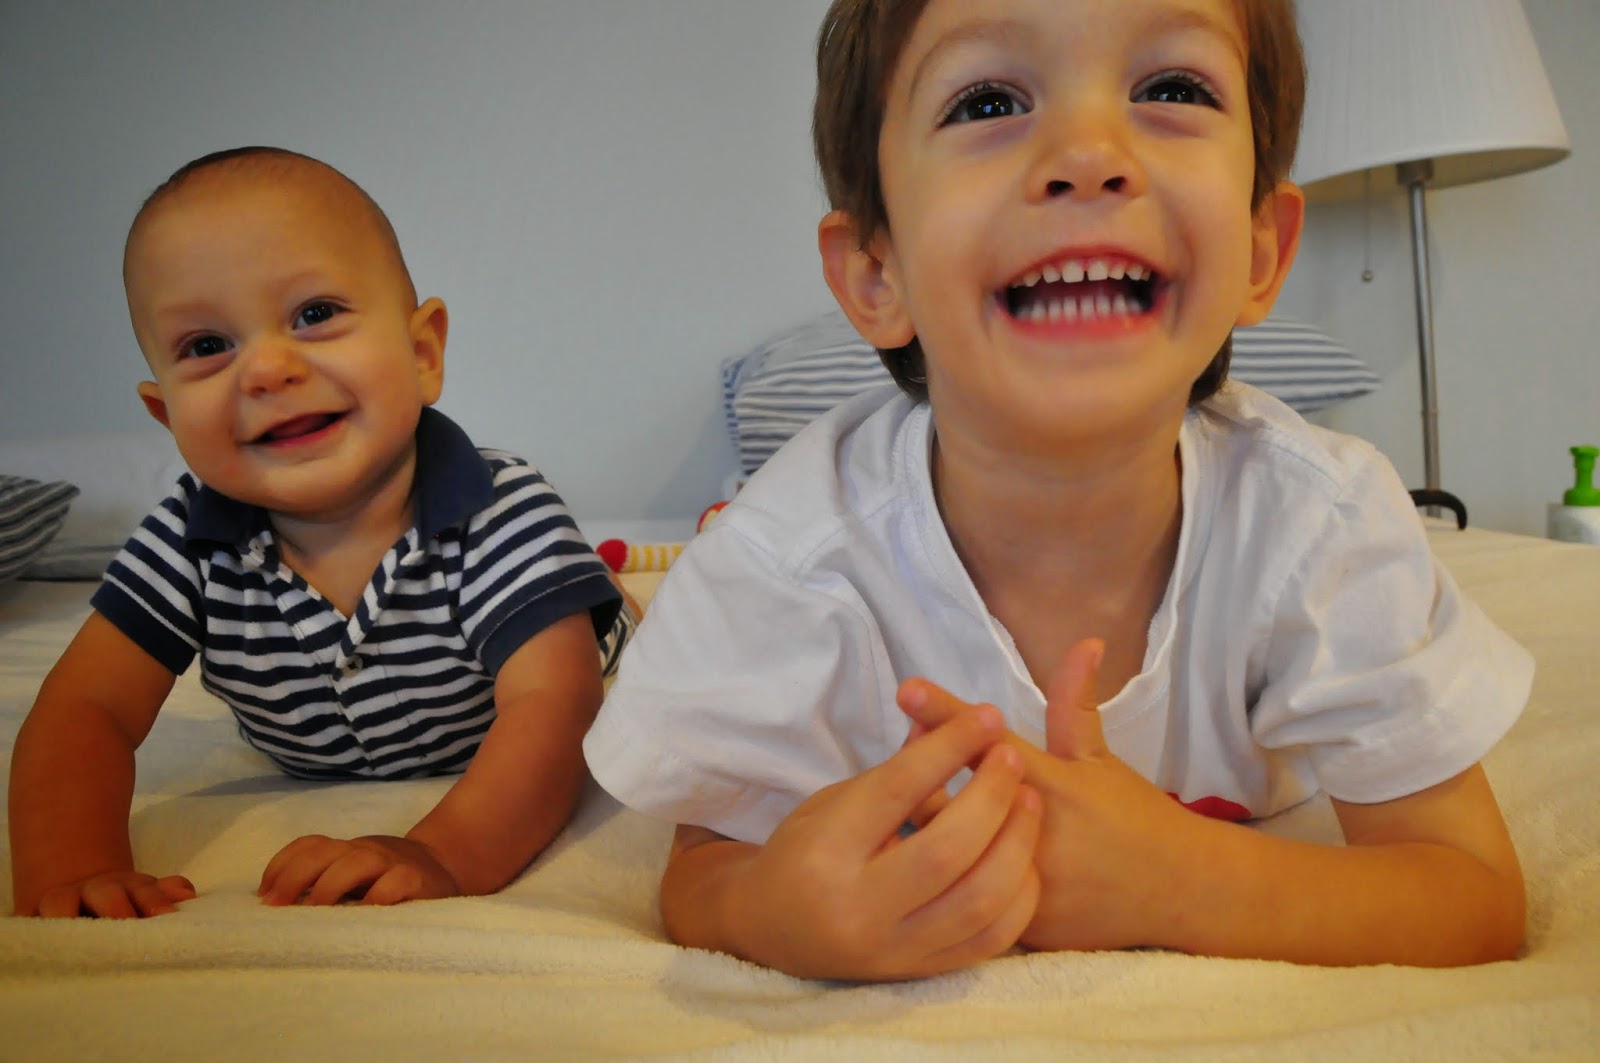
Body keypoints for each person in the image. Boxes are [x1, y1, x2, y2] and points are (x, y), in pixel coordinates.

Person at [584, 0, 1533, 980]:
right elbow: (704, 866)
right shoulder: (784, 564)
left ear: (1262, 249)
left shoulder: (1319, 524)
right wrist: (782, 912)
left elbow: (1469, 891)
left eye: (1172, 88)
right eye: (987, 102)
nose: (1088, 155)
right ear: (876, 271)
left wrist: (1182, 879)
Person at [10, 147, 633, 918]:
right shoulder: (186, 540)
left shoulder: (498, 508)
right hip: (312, 745)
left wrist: (443, 851)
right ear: (167, 415)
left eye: (314, 314)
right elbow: (85, 709)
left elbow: (555, 706)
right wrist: (74, 866)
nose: (266, 369)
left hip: (532, 675)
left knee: (592, 644)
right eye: (207, 346)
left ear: (422, 353)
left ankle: (608, 597)